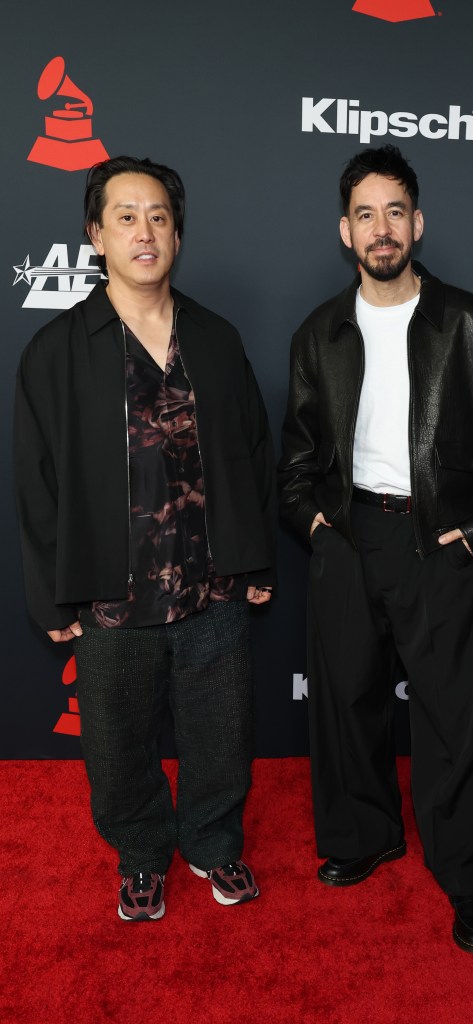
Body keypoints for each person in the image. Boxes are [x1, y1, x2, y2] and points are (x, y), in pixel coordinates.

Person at [279, 144, 473, 953]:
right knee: (346, 703)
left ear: (417, 223)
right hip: (348, 535)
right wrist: (316, 525)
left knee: (452, 721)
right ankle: (364, 836)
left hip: (439, 540)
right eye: (365, 213)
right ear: (344, 231)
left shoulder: (472, 323)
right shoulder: (318, 333)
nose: (381, 228)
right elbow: (294, 457)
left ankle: (463, 877)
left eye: (395, 211)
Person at [14, 156, 276, 921]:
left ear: (178, 234)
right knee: (119, 746)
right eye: (125, 216)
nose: (144, 230)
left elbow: (254, 451)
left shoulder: (217, 339)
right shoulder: (55, 352)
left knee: (221, 735)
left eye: (158, 215)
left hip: (213, 585)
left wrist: (255, 557)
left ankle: (214, 845)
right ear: (95, 235)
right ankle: (139, 856)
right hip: (108, 591)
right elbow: (35, 484)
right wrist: (48, 594)